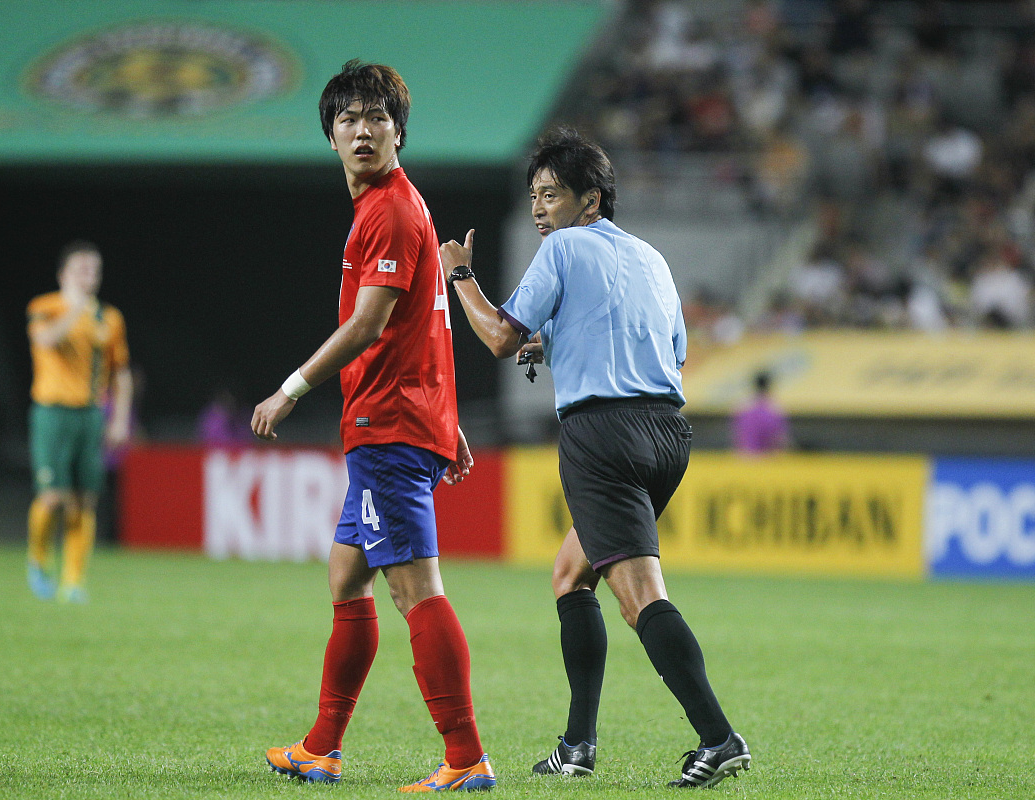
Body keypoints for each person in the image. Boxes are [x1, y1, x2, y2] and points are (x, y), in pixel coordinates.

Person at [438, 127, 750, 788]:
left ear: (592, 199)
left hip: (601, 437)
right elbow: (663, 353)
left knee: (639, 598)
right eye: (535, 196)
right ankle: (577, 745)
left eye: (551, 195)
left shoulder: (564, 250)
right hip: (668, 433)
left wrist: (459, 277)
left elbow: (497, 335)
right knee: (570, 573)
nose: (539, 210)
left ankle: (719, 738)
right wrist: (553, 346)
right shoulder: (651, 259)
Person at [250, 60, 495, 793]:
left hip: (387, 424)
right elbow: (429, 325)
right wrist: (447, 423)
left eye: (377, 118)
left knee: (415, 587)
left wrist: (291, 388)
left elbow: (370, 325)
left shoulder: (389, 209)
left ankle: (465, 756)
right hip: (398, 419)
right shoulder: (392, 207)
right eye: (348, 119)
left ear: (399, 133)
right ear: (329, 136)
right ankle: (322, 747)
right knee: (346, 574)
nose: (363, 129)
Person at [26, 241, 132, 603]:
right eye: (81, 270)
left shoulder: (110, 318)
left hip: (90, 415)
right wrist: (76, 310)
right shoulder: (45, 307)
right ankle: (38, 560)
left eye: (95, 270)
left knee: (84, 501)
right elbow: (45, 340)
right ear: (63, 275)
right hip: (52, 412)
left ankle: (73, 581)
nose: (90, 276)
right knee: (53, 496)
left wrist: (119, 419)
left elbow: (121, 374)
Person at [731, 370, 790, 454]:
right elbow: (780, 437)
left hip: (746, 456)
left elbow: (737, 435)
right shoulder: (774, 408)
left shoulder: (743, 406)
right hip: (768, 458)